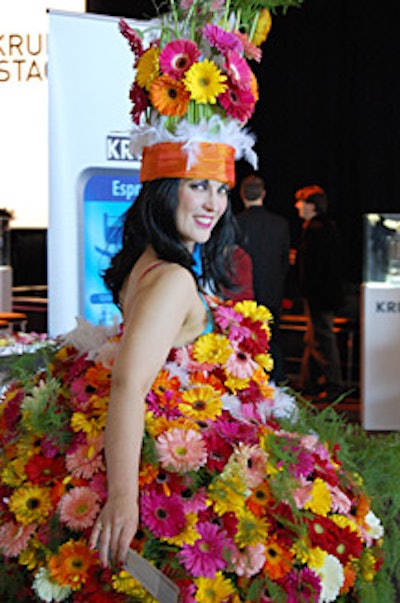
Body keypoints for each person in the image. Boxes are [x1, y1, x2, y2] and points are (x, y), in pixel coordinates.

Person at [0, 5, 385, 602]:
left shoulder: (150, 262)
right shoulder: (173, 278)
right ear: (163, 189)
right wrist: (125, 501)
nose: (210, 203)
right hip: (182, 477)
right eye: (195, 185)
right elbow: (129, 386)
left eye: (219, 189)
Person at [236, 174, 290, 383]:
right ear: (263, 194)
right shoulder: (280, 224)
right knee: (271, 341)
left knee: (243, 344)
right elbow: (285, 262)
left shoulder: (236, 223)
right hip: (272, 292)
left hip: (242, 295)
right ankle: (276, 384)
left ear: (241, 195)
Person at [294, 184, 344, 400]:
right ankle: (307, 382)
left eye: (301, 202)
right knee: (312, 336)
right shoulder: (322, 227)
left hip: (319, 293)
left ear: (311, 206)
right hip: (321, 292)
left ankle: (333, 384)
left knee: (322, 337)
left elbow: (318, 266)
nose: (297, 206)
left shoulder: (316, 229)